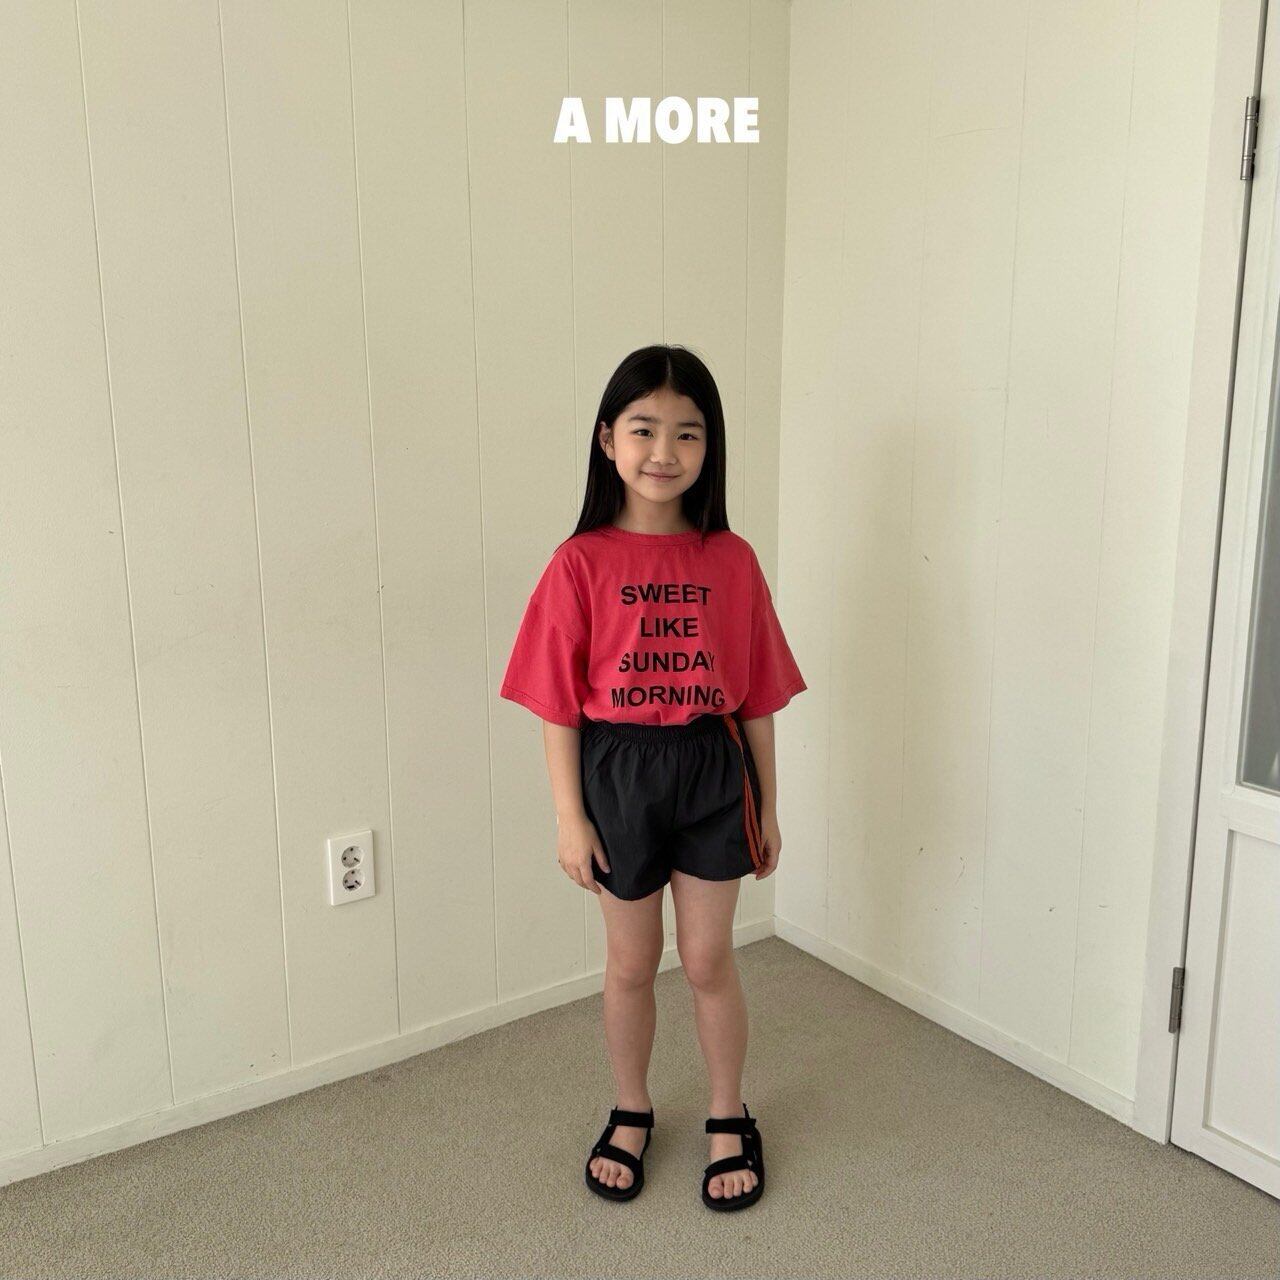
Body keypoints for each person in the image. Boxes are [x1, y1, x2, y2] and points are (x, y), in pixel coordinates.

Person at [498, 344, 807, 1211]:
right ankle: (631, 1107)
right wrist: (570, 818)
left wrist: (768, 805)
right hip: (619, 773)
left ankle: (727, 1113)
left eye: (687, 433)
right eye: (643, 429)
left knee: (708, 959)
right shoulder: (579, 562)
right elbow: (558, 706)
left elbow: (756, 697)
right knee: (632, 964)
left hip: (712, 769)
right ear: (607, 440)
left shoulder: (732, 559)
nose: (664, 451)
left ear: (711, 446)